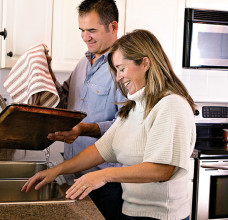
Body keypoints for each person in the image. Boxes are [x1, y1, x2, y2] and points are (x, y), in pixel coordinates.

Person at [22, 29, 196, 220]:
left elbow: (161, 170)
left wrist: (104, 175)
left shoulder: (171, 105)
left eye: (122, 69)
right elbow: (100, 150)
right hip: (131, 212)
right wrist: (56, 171)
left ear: (145, 63)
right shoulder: (133, 107)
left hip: (162, 216)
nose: (119, 77)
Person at [46, 0, 126, 219]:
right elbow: (63, 100)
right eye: (82, 30)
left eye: (92, 30)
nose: (85, 37)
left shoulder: (124, 67)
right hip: (75, 173)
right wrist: (46, 72)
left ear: (113, 26)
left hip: (105, 181)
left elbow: (126, 126)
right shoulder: (83, 63)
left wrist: (83, 129)